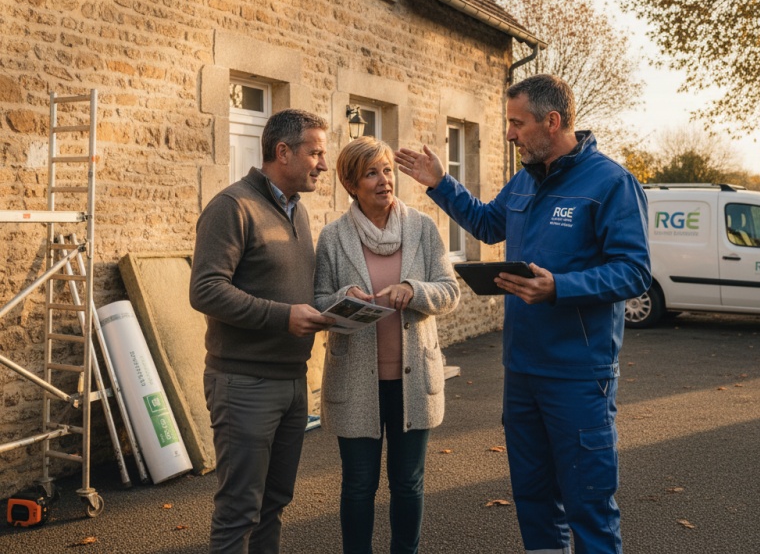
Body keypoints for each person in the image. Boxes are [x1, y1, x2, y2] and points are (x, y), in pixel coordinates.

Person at [395, 75, 650, 554]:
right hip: (522, 371)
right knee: (533, 500)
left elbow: (634, 272)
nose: (510, 134)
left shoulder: (611, 183)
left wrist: (560, 288)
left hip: (578, 375)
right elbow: (489, 224)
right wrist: (440, 183)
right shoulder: (524, 180)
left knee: (588, 506)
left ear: (551, 123)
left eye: (518, 123)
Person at [189, 108, 335, 554]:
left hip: (292, 383)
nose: (324, 165)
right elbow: (206, 290)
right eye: (316, 153)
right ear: (283, 151)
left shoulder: (300, 213)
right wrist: (282, 317)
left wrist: (340, 302)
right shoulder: (232, 207)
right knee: (239, 511)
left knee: (274, 504)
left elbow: (294, 289)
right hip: (244, 384)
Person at [314, 136, 460, 554]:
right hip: (355, 381)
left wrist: (414, 291)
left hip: (413, 381)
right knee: (358, 484)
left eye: (388, 171)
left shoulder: (422, 228)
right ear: (351, 184)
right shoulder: (333, 237)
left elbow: (450, 292)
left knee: (408, 482)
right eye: (372, 173)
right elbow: (319, 300)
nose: (384, 181)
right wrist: (345, 298)